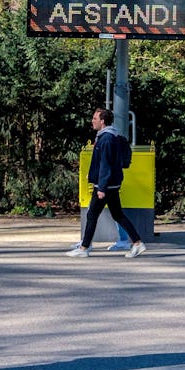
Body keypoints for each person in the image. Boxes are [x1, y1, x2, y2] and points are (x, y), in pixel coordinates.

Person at [66, 108, 146, 258]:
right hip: (111, 183)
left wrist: (101, 187)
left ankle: (84, 248)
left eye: (95, 118)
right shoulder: (109, 136)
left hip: (105, 185)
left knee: (92, 214)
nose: (92, 121)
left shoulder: (107, 139)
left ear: (102, 121)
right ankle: (137, 243)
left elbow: (106, 164)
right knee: (117, 215)